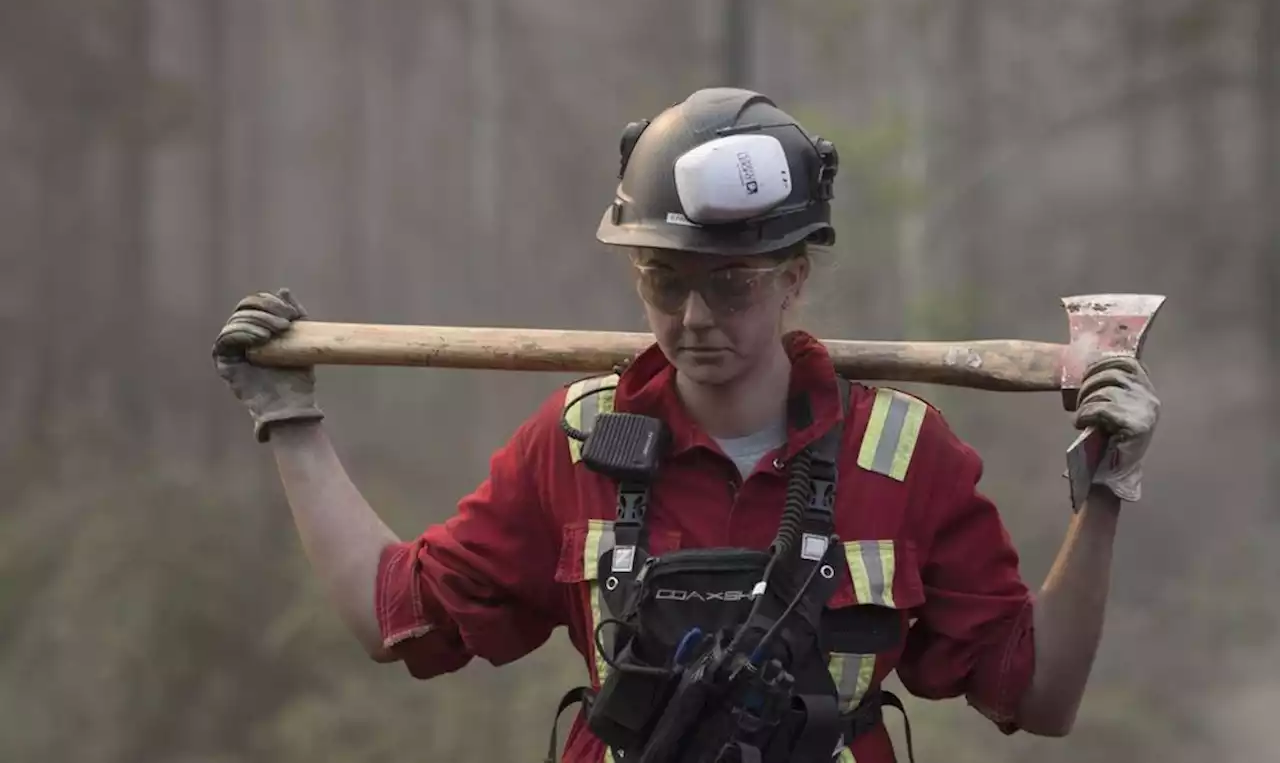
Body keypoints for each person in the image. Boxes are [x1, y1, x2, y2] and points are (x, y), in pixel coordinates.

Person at [213, 88, 1161, 763]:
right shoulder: (579, 441)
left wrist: (1106, 487)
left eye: (731, 283)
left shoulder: (905, 458)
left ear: (794, 277)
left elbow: (1038, 697)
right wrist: (289, 419)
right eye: (665, 280)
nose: (695, 318)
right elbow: (399, 617)